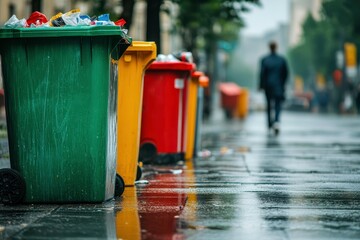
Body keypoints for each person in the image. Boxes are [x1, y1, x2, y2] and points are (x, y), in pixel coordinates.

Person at [259, 41, 289, 135]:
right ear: (276, 47)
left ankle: (269, 124)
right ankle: (276, 121)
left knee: (269, 105)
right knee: (277, 105)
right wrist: (283, 84)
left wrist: (261, 85)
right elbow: (286, 74)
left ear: (269, 48)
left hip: (268, 86)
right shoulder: (282, 60)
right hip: (278, 86)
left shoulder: (264, 60)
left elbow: (262, 74)